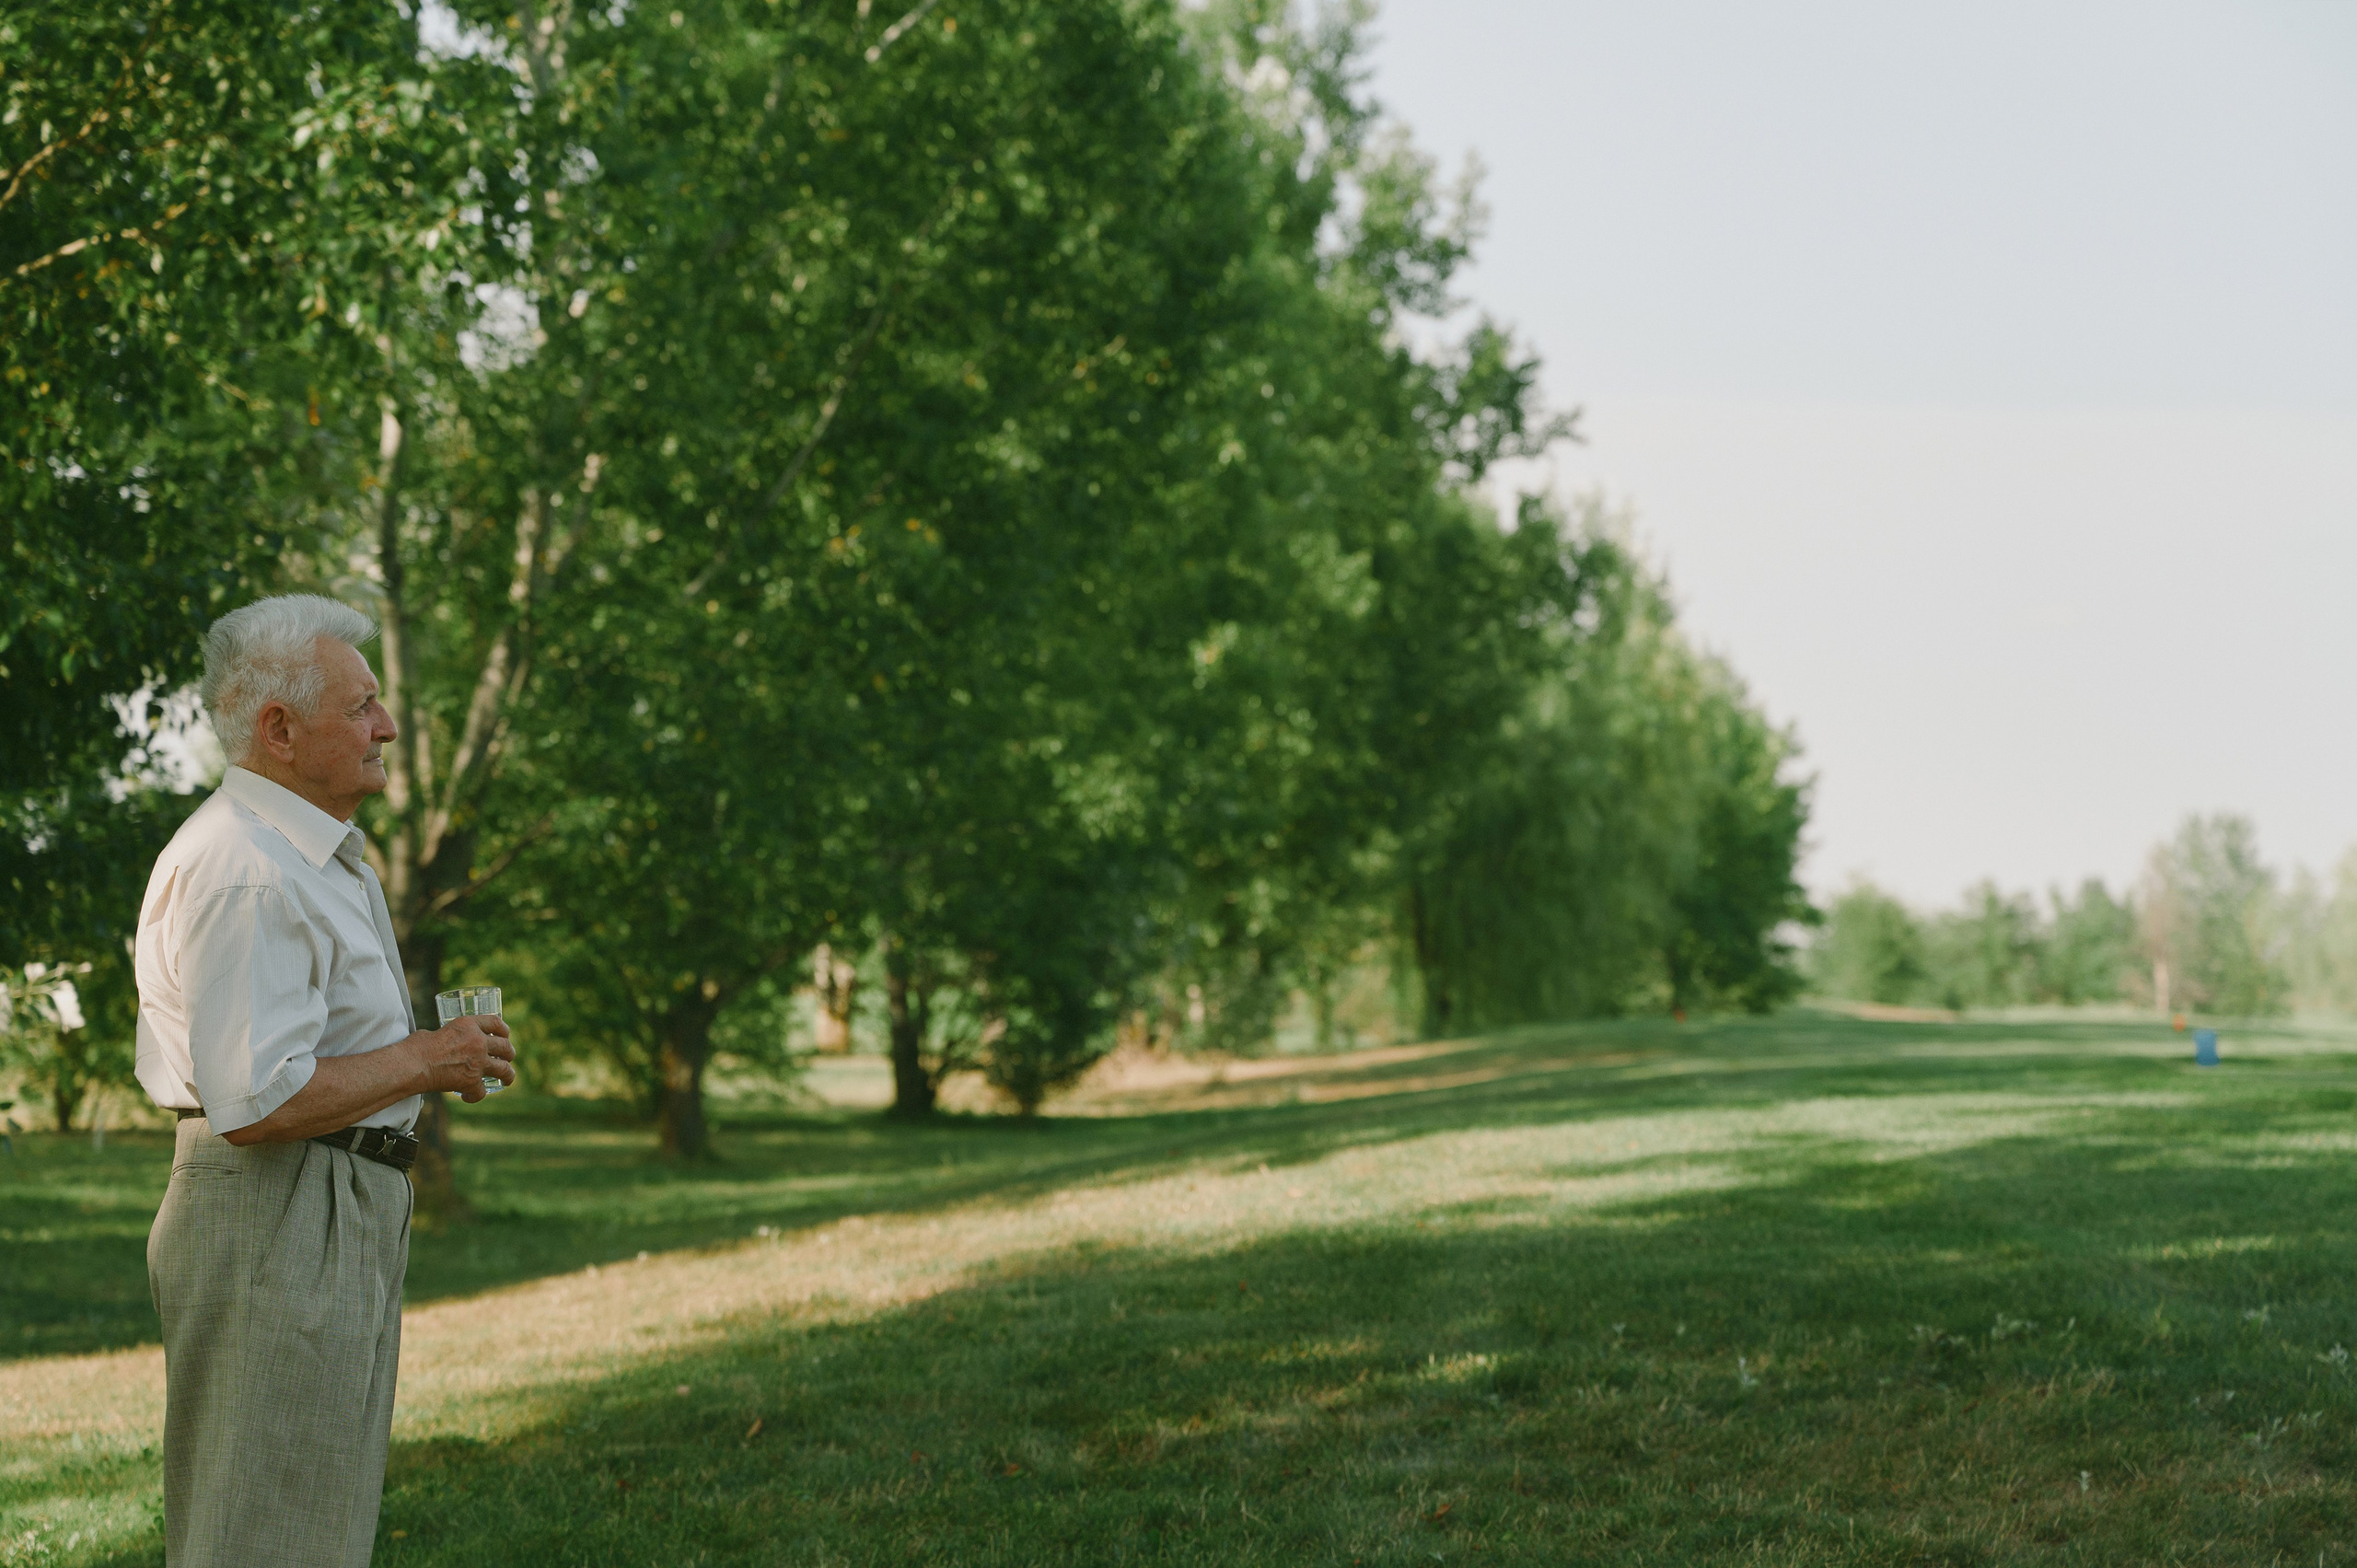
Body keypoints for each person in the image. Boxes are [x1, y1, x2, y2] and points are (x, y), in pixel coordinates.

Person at [134, 594, 515, 1567]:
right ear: (279, 728)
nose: (386, 725)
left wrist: (432, 1052)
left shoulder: (315, 856)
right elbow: (258, 1098)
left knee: (309, 1519)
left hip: (325, 1200)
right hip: (281, 1203)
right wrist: (430, 1057)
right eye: (362, 706)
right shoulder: (249, 867)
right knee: (261, 1532)